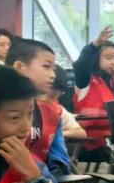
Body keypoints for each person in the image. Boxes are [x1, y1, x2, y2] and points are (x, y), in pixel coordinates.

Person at [7, 40, 73, 174]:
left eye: (53, 69)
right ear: (19, 67)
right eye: (46, 66)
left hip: (40, 180)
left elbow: (59, 161)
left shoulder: (53, 114)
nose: (53, 75)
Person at [72, 27, 114, 160]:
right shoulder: (86, 82)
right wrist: (95, 44)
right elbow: (80, 65)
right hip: (91, 144)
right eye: (108, 58)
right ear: (96, 59)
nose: (113, 62)